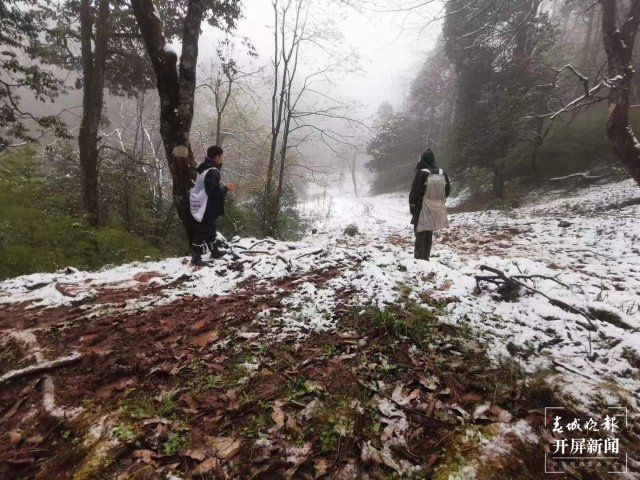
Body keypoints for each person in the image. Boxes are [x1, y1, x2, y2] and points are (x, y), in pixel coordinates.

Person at [190, 145, 234, 266]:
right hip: (206, 206)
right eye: (221, 156)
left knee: (211, 229)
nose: (222, 158)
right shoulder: (213, 171)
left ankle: (214, 252)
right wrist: (226, 188)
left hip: (201, 204)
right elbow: (213, 192)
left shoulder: (204, 167)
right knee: (203, 231)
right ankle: (196, 256)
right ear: (216, 157)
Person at [409, 148, 451, 260]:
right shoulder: (442, 173)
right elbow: (447, 191)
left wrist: (412, 207)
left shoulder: (422, 173)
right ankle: (426, 258)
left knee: (420, 233)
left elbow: (415, 192)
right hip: (437, 207)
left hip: (421, 207)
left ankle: (419, 259)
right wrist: (438, 201)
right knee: (429, 232)